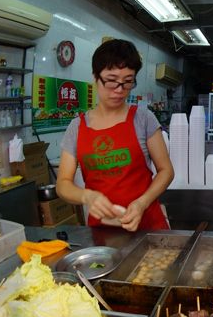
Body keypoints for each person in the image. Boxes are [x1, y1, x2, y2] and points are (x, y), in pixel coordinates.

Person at [56, 39, 174, 231]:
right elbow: (62, 184)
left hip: (148, 227)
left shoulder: (143, 119)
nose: (119, 90)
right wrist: (87, 196)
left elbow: (166, 170)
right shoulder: (77, 127)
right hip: (102, 231)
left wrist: (142, 203)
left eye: (127, 82)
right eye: (111, 81)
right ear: (95, 76)